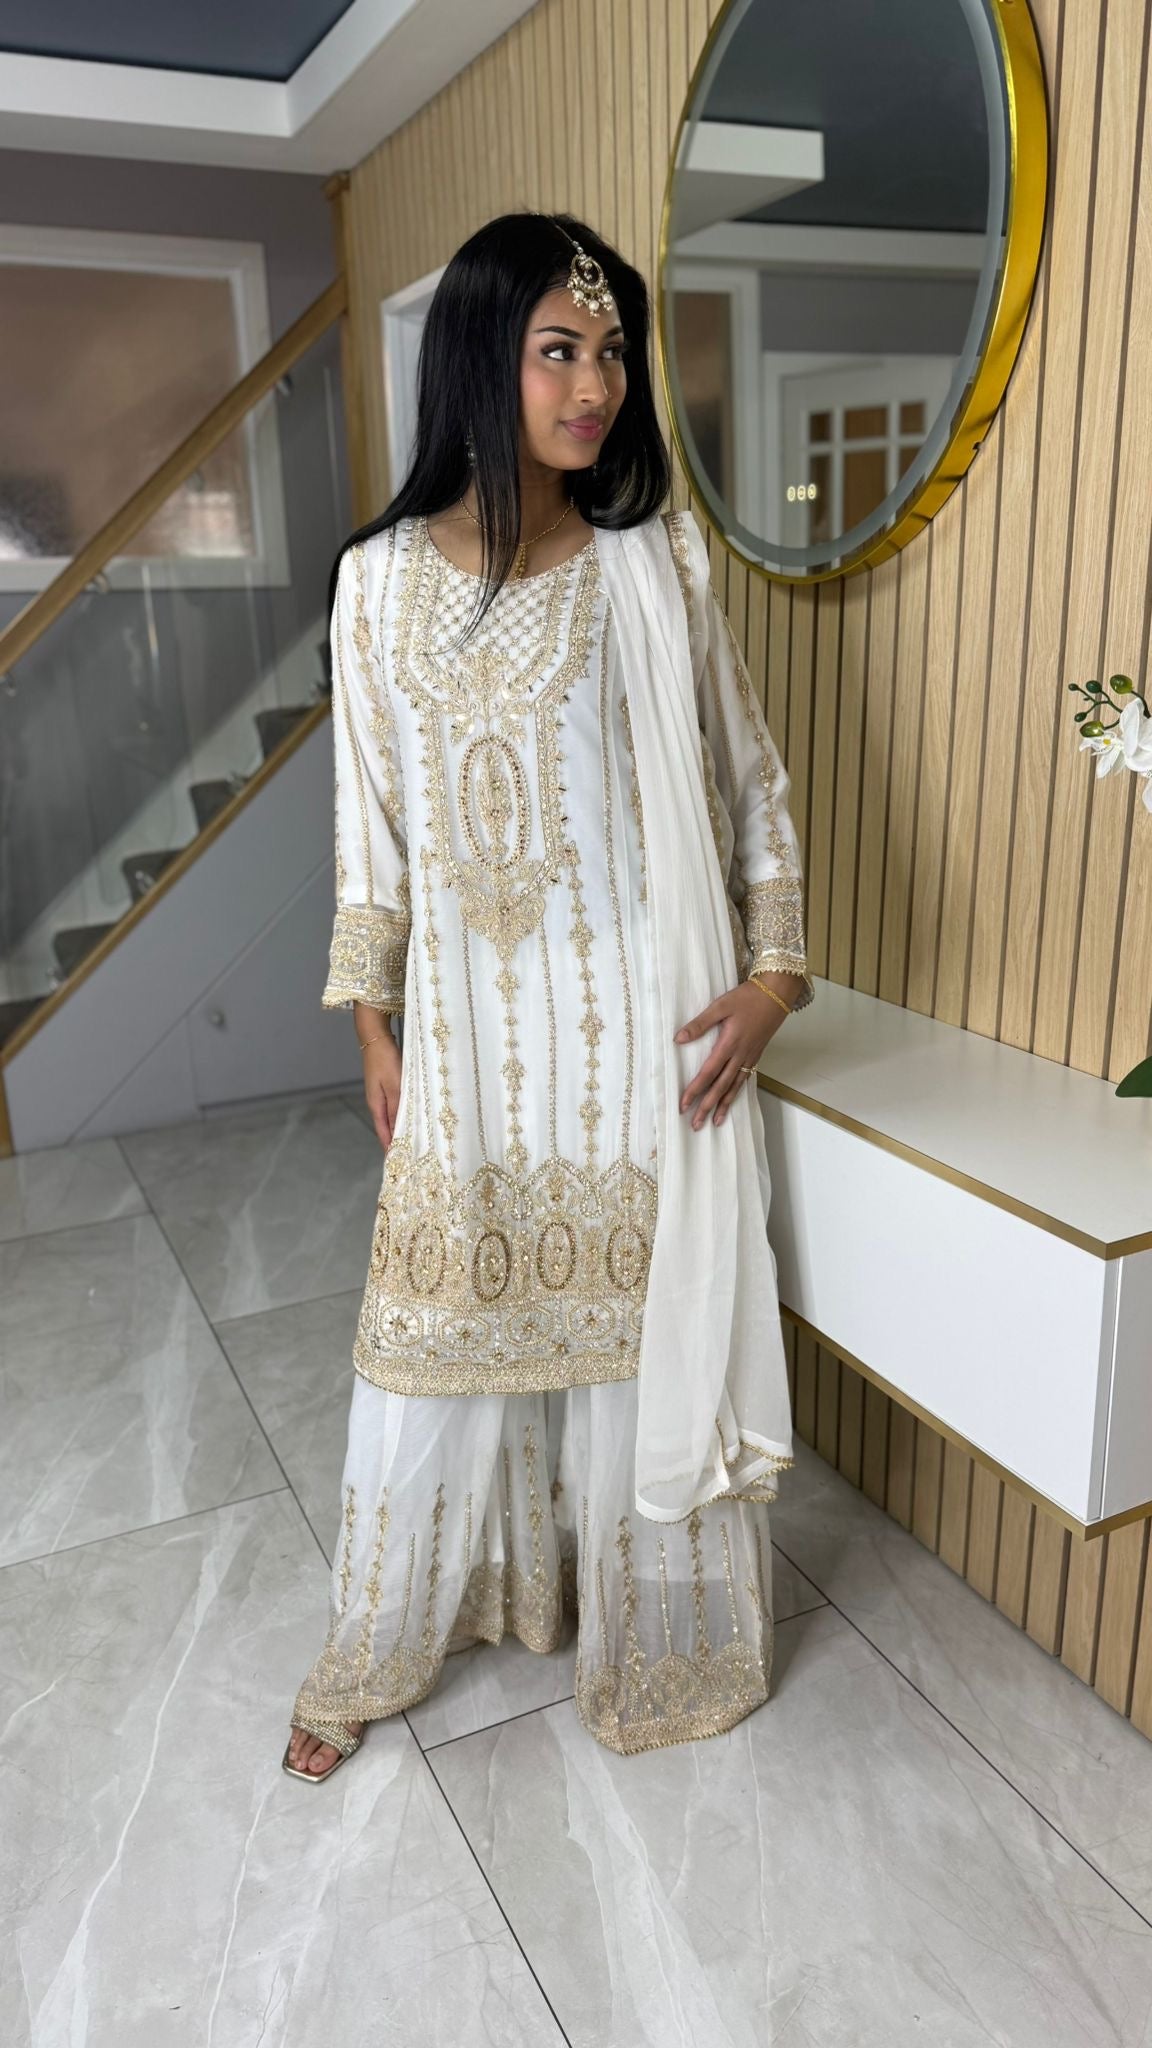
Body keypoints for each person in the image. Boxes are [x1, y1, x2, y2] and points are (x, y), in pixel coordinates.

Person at [283, 210, 812, 1781]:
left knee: (631, 1344)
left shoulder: (658, 565)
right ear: (479, 359)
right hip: (466, 1041)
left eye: (613, 353)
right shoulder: (374, 586)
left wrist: (774, 977)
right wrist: (374, 1026)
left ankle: (659, 1633)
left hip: (641, 1035)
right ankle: (380, 1639)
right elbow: (371, 832)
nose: (596, 387)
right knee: (435, 1333)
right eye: (558, 350)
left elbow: (749, 781)